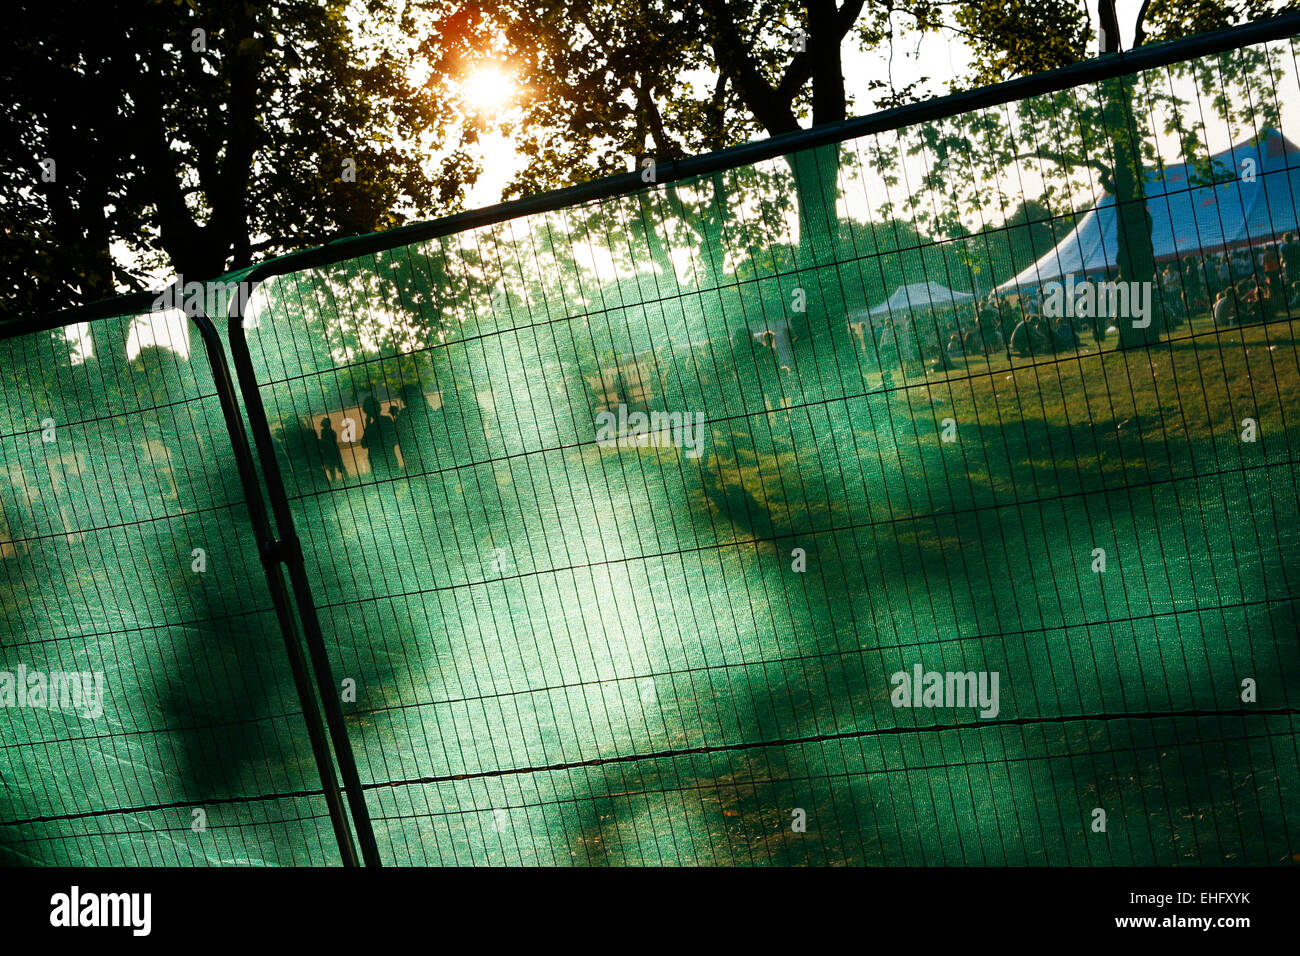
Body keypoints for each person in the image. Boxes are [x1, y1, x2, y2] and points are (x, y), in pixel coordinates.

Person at [319, 417, 346, 483]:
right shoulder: (332, 432)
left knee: (332, 468)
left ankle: (334, 481)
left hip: (330, 452)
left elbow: (325, 443)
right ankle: (347, 479)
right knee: (340, 467)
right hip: (334, 451)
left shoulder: (324, 432)